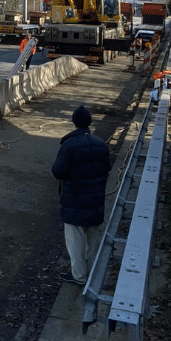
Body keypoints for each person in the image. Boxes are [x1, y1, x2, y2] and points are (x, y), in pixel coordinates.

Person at [51, 105, 112, 285]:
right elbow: (107, 167)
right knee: (92, 239)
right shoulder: (101, 144)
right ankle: (93, 272)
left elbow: (58, 171)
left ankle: (79, 275)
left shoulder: (69, 145)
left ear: (74, 122)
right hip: (96, 200)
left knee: (75, 240)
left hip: (74, 201)